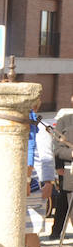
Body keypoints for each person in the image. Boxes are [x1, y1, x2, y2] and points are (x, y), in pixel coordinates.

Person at [24, 109, 55, 247]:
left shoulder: (41, 128)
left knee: (27, 229)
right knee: (26, 230)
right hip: (22, 182)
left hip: (34, 183)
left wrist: (49, 182)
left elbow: (46, 156)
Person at [51, 96, 73, 238]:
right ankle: (56, 231)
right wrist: (71, 153)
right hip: (69, 173)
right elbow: (57, 149)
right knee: (64, 204)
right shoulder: (64, 121)